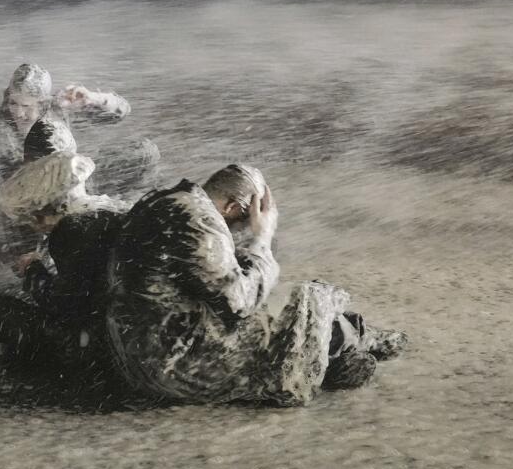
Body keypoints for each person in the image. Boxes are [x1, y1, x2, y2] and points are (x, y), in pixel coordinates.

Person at [104, 165, 406, 407]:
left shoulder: (166, 201)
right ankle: (355, 342)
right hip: (174, 364)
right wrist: (262, 237)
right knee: (303, 303)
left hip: (141, 351)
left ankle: (353, 340)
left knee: (286, 306)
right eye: (244, 220)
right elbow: (239, 302)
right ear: (233, 207)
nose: (243, 231)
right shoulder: (199, 220)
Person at [0, 139, 129, 384]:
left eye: (31, 219)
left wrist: (33, 269)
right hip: (124, 332)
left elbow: (64, 304)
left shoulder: (70, 232)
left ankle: (24, 360)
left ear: (43, 211)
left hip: (92, 349)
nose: (32, 227)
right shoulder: (110, 213)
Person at [0, 62, 146, 268]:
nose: (18, 113)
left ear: (43, 104)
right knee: (39, 263)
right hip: (30, 206)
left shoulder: (59, 109)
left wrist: (94, 98)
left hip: (74, 187)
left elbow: (120, 112)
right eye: (13, 103)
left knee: (144, 152)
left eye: (26, 106)